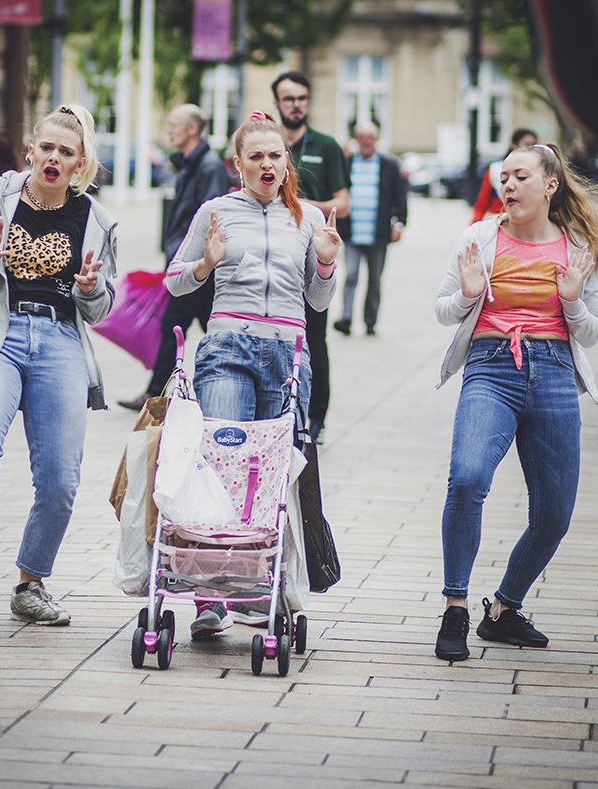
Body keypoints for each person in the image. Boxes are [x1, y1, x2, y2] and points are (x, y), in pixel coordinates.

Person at [432, 143, 598, 662]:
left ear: (550, 185)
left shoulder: (579, 244)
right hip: (491, 367)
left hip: (556, 372)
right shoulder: (479, 238)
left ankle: (504, 610)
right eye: (503, 177)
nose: (507, 185)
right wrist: (470, 294)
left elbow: (593, 332)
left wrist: (572, 297)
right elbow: (445, 311)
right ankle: (456, 607)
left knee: (554, 512)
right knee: (467, 478)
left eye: (519, 176)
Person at [0, 104, 116, 641]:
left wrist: (90, 290)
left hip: (61, 340)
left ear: (80, 161)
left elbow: (103, 307)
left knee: (61, 479)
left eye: (67, 152)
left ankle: (29, 585)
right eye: (48, 148)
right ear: (31, 150)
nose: (55, 158)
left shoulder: (97, 220)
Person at [167, 110, 340, 638]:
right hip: (227, 348)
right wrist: (205, 264)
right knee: (220, 464)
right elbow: (175, 282)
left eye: (275, 155)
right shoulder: (215, 212)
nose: (267, 164)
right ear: (236, 164)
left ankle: (259, 588)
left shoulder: (307, 218)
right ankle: (208, 598)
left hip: (288, 355)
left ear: (287, 163)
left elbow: (317, 298)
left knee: (275, 476)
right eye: (256, 156)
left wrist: (328, 263)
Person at [118, 104, 230, 411]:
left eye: (173, 124)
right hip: (186, 264)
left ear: (192, 129)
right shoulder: (191, 164)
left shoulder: (208, 167)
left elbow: (212, 217)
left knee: (174, 326)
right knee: (212, 326)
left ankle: (156, 395)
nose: (168, 130)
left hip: (196, 267)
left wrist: (192, 262)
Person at [271, 71, 350, 445]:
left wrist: (302, 208)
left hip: (314, 256)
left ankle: (315, 418)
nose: (296, 105)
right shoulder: (266, 145)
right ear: (277, 103)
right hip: (275, 258)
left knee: (314, 339)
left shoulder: (327, 146)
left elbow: (343, 203)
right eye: (289, 99)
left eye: (302, 98)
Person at [332, 121, 408, 337]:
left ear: (376, 139)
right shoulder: (345, 164)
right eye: (361, 136)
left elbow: (399, 197)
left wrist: (399, 223)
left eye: (370, 136)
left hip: (379, 234)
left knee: (374, 280)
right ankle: (346, 318)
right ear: (356, 139)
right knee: (351, 274)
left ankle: (370, 321)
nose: (366, 140)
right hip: (352, 233)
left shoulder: (389, 166)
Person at [470, 128, 538, 224]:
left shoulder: (539, 172)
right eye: (527, 144)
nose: (531, 148)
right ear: (514, 145)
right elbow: (482, 205)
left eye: (534, 145)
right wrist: (473, 230)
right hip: (500, 223)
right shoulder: (495, 169)